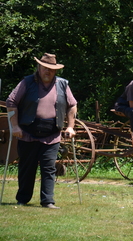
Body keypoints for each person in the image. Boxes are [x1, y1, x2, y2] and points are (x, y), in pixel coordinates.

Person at [6, 53, 78, 209]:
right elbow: (11, 101)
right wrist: (15, 126)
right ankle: (23, 199)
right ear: (39, 67)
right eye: (45, 68)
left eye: (51, 69)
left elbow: (72, 104)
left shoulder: (62, 84)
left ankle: (48, 201)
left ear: (56, 71)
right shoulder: (27, 82)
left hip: (52, 133)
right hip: (27, 132)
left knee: (49, 167)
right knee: (27, 167)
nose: (48, 71)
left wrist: (70, 126)